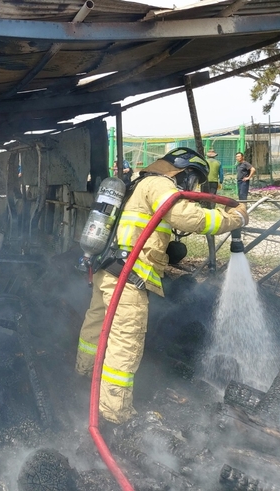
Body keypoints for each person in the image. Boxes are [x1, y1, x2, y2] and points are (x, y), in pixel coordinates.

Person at [75, 147, 248, 426]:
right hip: (129, 281)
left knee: (94, 329)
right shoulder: (160, 184)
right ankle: (114, 414)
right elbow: (192, 218)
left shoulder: (138, 185)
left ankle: (83, 378)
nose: (191, 187)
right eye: (193, 179)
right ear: (183, 171)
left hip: (109, 272)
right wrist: (236, 218)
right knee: (125, 344)